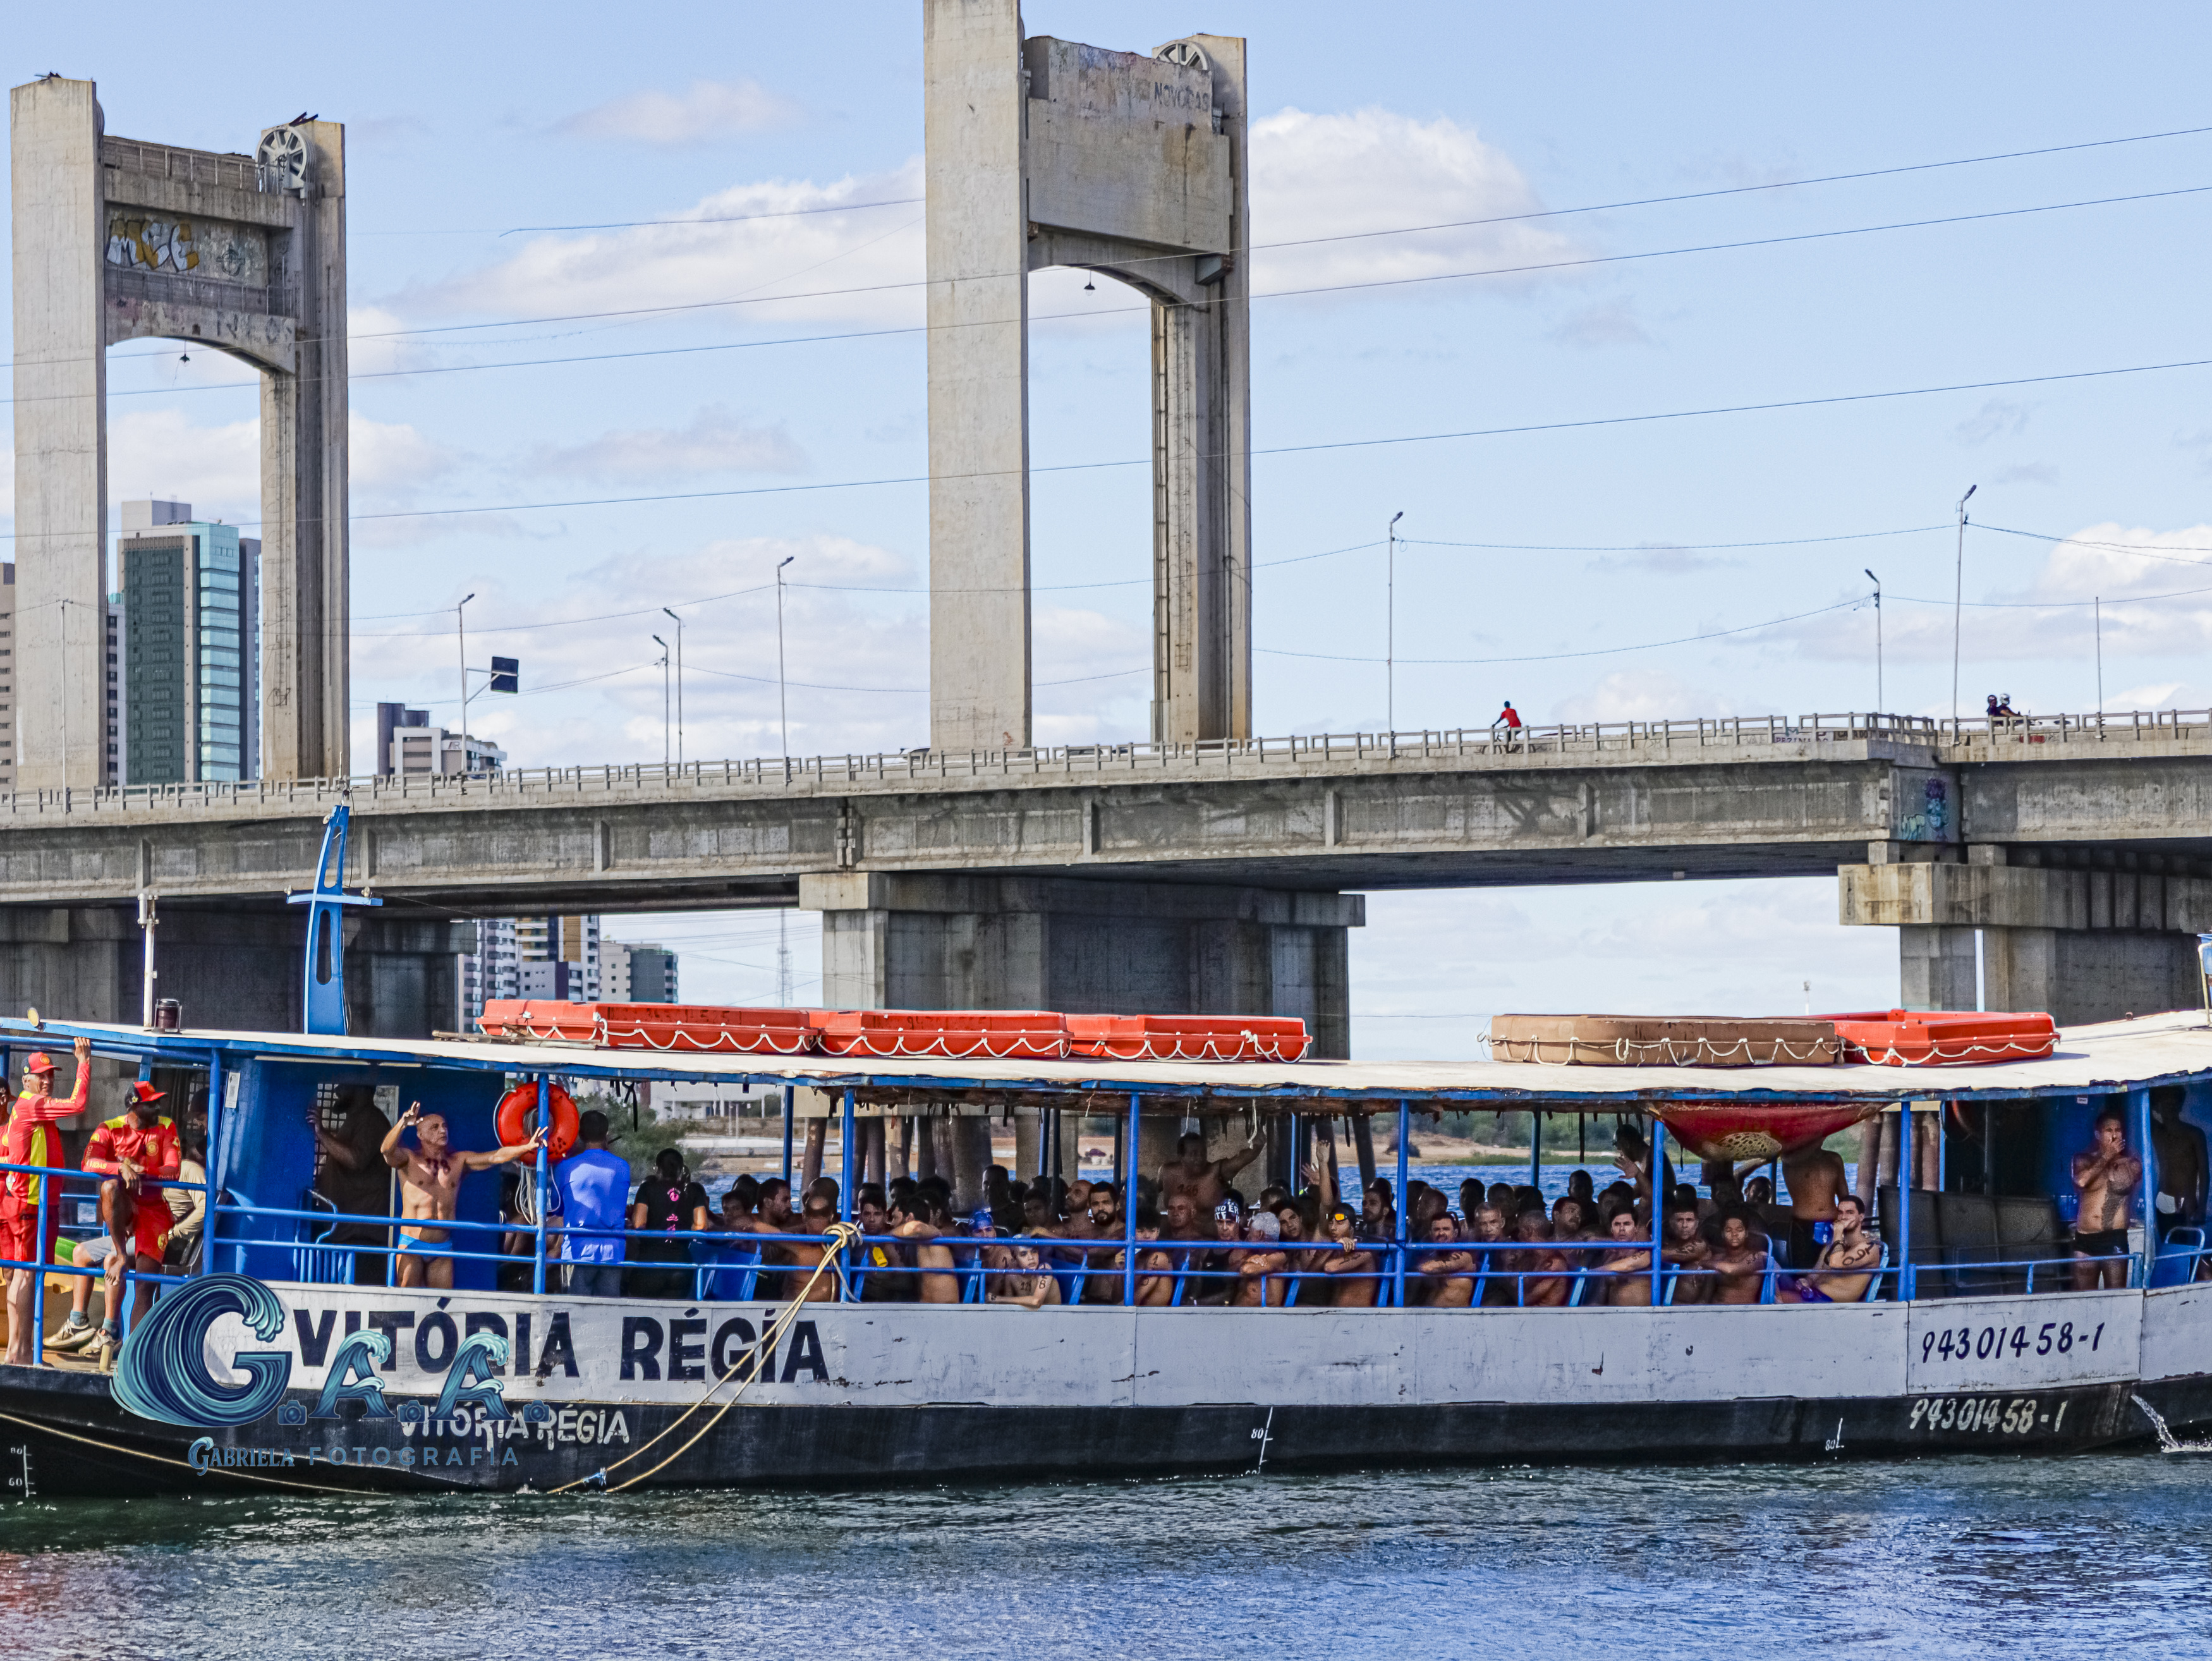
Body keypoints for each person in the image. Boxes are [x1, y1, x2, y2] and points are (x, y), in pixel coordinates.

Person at [379, 1102, 547, 1291]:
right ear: (421, 1135)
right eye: (435, 1127)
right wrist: (403, 1123)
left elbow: (494, 1157)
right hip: (412, 1244)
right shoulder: (409, 1159)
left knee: (442, 1304)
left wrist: (527, 1146)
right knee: (406, 1298)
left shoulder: (458, 1161)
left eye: (444, 1126)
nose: (443, 1130)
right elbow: (386, 1150)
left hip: (442, 1246)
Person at [1, 1037, 91, 1368]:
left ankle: (18, 1351)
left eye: (51, 1074)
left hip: (30, 1204)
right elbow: (78, 1104)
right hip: (31, 1205)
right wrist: (84, 1061)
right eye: (41, 1075)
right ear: (25, 1080)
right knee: (27, 1275)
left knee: (23, 1275)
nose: (48, 1080)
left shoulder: (27, 1110)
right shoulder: (31, 1106)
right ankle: (22, 1355)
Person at [81, 1080, 183, 1369]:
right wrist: (121, 1167)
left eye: (157, 1102)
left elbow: (173, 1169)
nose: (157, 1107)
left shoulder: (166, 1126)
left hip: (153, 1210)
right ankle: (86, 1322)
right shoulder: (109, 1127)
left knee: (145, 1287)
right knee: (110, 1187)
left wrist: (141, 1170)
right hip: (122, 1209)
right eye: (151, 1103)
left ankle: (133, 1360)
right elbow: (88, 1163)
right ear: (133, 1106)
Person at [308, 1086, 394, 1287]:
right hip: (342, 1232)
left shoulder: (371, 1119)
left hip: (362, 1237)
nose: (337, 1090)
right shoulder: (357, 1118)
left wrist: (321, 1133)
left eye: (344, 1084)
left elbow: (356, 1159)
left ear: (361, 1088)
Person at [552, 1110, 631, 1298]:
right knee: (608, 1312)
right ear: (607, 1134)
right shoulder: (623, 1166)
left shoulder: (565, 1167)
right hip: (613, 1252)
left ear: (579, 1135)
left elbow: (557, 1208)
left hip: (577, 1249)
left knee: (575, 1310)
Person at [2072, 1108, 2145, 1291]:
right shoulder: (2082, 1159)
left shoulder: (2131, 1163)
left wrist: (2116, 1158)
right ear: (2098, 1134)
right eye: (2109, 1130)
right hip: (2085, 1238)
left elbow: (2128, 1182)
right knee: (2084, 1296)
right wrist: (2106, 1157)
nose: (2114, 1135)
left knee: (2116, 1294)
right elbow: (2081, 1181)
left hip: (2114, 1238)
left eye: (2118, 1130)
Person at [629, 1149, 710, 1298]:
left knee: (642, 1314)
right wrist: (684, 1225)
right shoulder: (692, 1191)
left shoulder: (647, 1188)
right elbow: (701, 1226)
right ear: (681, 1169)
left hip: (651, 1264)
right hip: (682, 1264)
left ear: (657, 1168)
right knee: (675, 1316)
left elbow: (639, 1224)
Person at [1779, 1193, 1881, 1303]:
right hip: (1813, 1295)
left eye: (1850, 1213)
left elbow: (1836, 1263)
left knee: (1774, 1299)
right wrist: (1806, 1282)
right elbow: (1815, 1273)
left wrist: (1838, 1232)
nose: (1843, 1217)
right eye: (1840, 1213)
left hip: (1832, 1304)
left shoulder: (1869, 1248)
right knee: (1771, 1278)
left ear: (1861, 1217)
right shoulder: (1832, 1245)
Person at [1157, 1128, 1265, 1215]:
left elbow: (1237, 1162)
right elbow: (1149, 1191)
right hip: (1173, 1240)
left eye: (1203, 1153)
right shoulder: (1167, 1172)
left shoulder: (1214, 1172)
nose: (1200, 1158)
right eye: (1194, 1154)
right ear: (1181, 1157)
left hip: (1207, 1239)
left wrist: (1256, 1148)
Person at [1779, 1139, 1849, 1269]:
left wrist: (1848, 1223)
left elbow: (1845, 1197)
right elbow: (1786, 1158)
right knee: (1803, 1273)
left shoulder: (1834, 1159)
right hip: (1803, 1225)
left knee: (1831, 1268)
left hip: (1832, 1224)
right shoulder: (1791, 1159)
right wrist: (1813, 1140)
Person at [890, 1193, 959, 1303]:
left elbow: (916, 1228)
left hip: (943, 1312)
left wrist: (885, 1237)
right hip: (928, 1309)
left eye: (895, 1218)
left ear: (910, 1218)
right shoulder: (915, 1244)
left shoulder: (932, 1233)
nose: (892, 1223)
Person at [1413, 1213, 1476, 1308]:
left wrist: (1419, 1268)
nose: (1441, 1233)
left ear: (1455, 1233)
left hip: (1456, 1316)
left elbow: (1430, 1268)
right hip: (1428, 1313)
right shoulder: (1430, 1255)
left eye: (1446, 1229)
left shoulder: (1464, 1256)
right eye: (1437, 1230)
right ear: (1431, 1233)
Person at [1596, 1207, 1653, 1306]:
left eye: (1627, 1224)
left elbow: (1628, 1265)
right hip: (1613, 1316)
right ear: (1611, 1229)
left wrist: (1591, 1273)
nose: (1622, 1229)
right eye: (1617, 1225)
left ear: (1636, 1228)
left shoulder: (1644, 1253)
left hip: (1641, 1317)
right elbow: (1599, 1299)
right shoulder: (1610, 1256)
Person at [1660, 1200, 1714, 1305]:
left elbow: (1679, 1255)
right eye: (1680, 1220)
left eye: (1689, 1220)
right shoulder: (1667, 1246)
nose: (1685, 1225)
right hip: (1663, 1306)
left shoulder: (1700, 1245)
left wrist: (1648, 1255)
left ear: (1697, 1223)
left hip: (1688, 1308)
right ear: (1671, 1222)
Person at [1707, 1214, 1768, 1305]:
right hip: (1713, 1312)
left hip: (1742, 1314)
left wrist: (1704, 1263)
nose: (1734, 1234)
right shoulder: (1717, 1258)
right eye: (1728, 1230)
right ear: (1722, 1234)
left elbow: (1732, 1270)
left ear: (1746, 1233)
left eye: (1739, 1230)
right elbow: (1706, 1295)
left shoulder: (1756, 1257)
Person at [1233, 1210, 1290, 1306]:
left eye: (1250, 1233)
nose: (1248, 1237)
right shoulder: (1254, 1254)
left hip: (1263, 1318)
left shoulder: (1279, 1257)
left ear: (1260, 1234)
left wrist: (1248, 1261)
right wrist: (1248, 1259)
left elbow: (1246, 1270)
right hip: (1241, 1316)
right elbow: (1231, 1270)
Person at [988, 1239, 1064, 1309]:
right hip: (1025, 1319)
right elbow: (1008, 1308)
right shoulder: (1012, 1275)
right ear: (1015, 1259)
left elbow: (1036, 1301)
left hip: (1052, 1318)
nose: (1031, 1258)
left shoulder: (1044, 1268)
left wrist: (999, 1299)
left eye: (1034, 1251)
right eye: (1023, 1254)